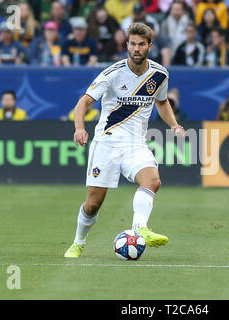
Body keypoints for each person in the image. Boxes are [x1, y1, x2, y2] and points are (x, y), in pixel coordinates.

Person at [63, 23, 186, 258]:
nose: (136, 48)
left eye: (141, 44)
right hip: (106, 143)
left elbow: (162, 102)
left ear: (150, 46)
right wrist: (80, 128)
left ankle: (140, 228)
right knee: (93, 204)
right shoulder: (112, 73)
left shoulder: (159, 74)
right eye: (132, 44)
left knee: (152, 180)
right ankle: (78, 242)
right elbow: (83, 103)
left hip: (135, 144)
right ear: (126, 44)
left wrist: (174, 125)